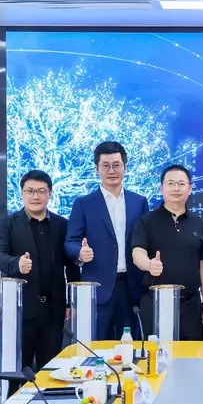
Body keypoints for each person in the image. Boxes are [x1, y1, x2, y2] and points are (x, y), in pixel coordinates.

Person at [0, 170, 81, 372]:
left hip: (53, 310)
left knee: (50, 369)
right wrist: (17, 264)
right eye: (30, 191)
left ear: (50, 193)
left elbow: (71, 266)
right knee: (19, 369)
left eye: (41, 191)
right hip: (20, 309)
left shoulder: (62, 225)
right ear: (22, 194)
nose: (35, 196)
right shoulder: (8, 224)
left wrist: (71, 302)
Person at [65, 141, 149, 340]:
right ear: (97, 169)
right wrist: (80, 252)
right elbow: (71, 241)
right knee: (97, 345)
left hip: (131, 286)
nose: (112, 170)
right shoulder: (83, 204)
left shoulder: (139, 202)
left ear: (125, 167)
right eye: (105, 165)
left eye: (116, 165)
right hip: (98, 287)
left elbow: (146, 241)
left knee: (131, 345)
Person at [131, 165, 203, 340]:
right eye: (170, 183)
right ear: (161, 188)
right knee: (154, 353)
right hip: (155, 302)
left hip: (190, 305)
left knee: (190, 353)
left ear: (189, 189)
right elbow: (137, 253)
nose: (176, 188)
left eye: (181, 184)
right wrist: (149, 264)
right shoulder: (146, 221)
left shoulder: (198, 223)